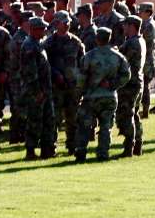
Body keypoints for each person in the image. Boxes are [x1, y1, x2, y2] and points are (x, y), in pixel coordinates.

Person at [74, 27, 130, 162]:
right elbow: (126, 75)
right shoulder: (118, 56)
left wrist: (78, 94)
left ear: (97, 39)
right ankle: (103, 153)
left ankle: (81, 152)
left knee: (85, 126)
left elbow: (81, 78)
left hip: (91, 97)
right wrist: (113, 85)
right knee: (106, 126)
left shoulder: (89, 56)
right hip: (109, 97)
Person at [42, 11, 84, 153]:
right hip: (56, 86)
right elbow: (45, 64)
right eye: (63, 23)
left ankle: (73, 146)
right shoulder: (49, 43)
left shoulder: (76, 42)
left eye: (68, 23)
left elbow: (82, 63)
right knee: (55, 118)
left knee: (73, 118)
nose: (66, 25)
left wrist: (80, 83)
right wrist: (55, 75)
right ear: (57, 23)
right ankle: (50, 147)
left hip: (72, 87)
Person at [17, 17, 57, 160]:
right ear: (34, 29)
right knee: (34, 121)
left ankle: (47, 150)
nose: (44, 31)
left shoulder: (38, 44)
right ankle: (31, 151)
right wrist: (37, 91)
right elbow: (30, 73)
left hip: (45, 91)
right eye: (42, 28)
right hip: (36, 92)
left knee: (48, 120)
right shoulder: (29, 46)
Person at [116, 16, 147, 156]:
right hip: (137, 82)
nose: (124, 28)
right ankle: (137, 144)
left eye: (125, 25)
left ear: (132, 26)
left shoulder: (132, 43)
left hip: (130, 84)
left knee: (127, 115)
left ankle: (129, 146)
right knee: (134, 114)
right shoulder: (139, 40)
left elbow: (121, 60)